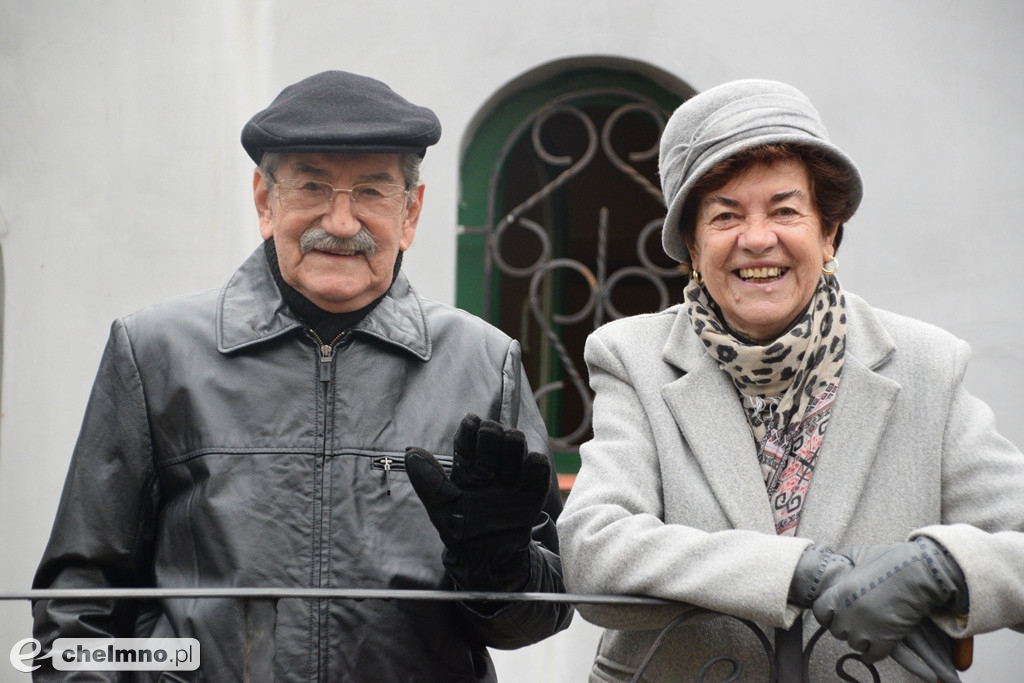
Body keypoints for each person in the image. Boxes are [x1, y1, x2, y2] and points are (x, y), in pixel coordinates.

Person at [32, 70, 572, 681]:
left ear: (411, 212)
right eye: (312, 186)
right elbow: (79, 603)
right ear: (266, 201)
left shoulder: (483, 362)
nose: (340, 222)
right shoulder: (155, 351)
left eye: (372, 191)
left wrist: (498, 568)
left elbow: (546, 611)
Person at [556, 79, 1024, 682]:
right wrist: (794, 571)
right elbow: (594, 551)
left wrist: (944, 568)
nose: (757, 239)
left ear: (828, 233)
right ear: (693, 248)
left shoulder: (927, 364)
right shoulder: (633, 358)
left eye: (785, 210)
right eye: (725, 215)